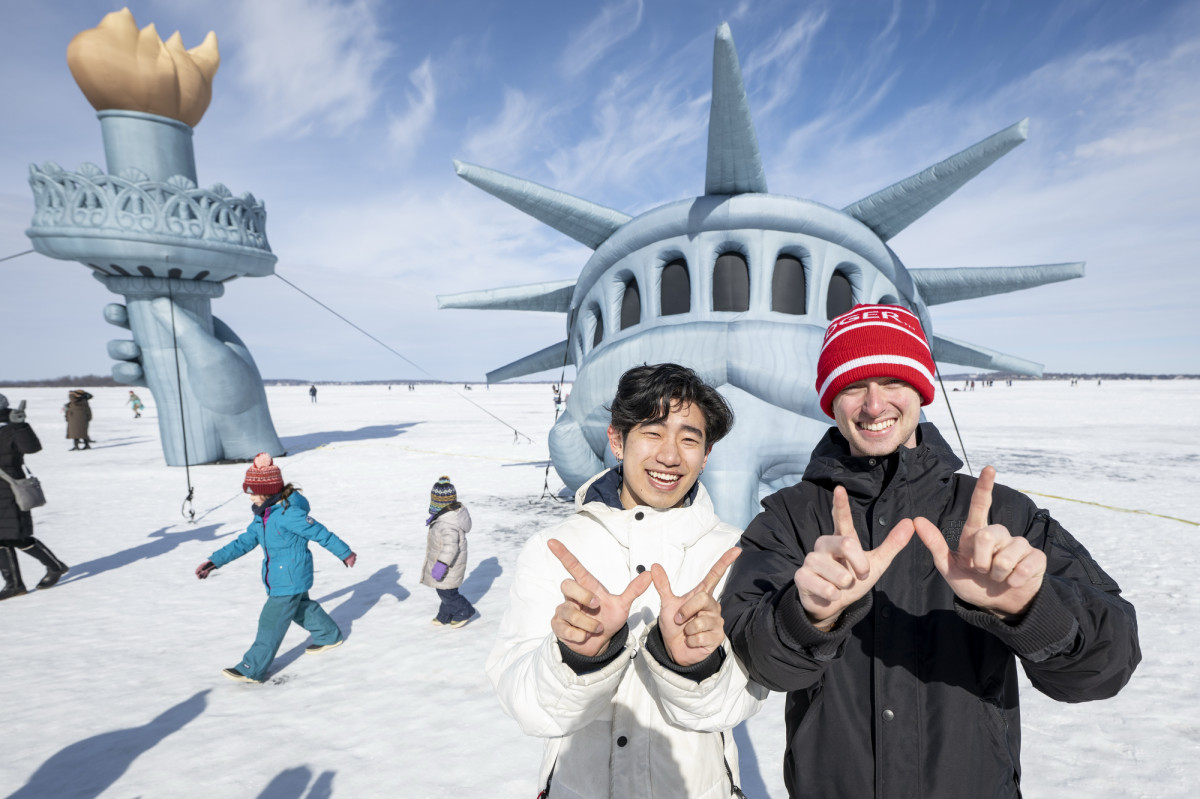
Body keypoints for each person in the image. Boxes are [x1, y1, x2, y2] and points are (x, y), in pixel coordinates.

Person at [721, 304, 1141, 799]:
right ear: (831, 402)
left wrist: (1033, 611)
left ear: (922, 390)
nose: (874, 406)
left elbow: (1107, 665)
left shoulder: (998, 514)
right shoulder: (791, 517)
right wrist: (807, 618)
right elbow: (754, 660)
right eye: (854, 386)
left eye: (892, 382)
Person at [487, 363, 766, 799]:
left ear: (706, 454)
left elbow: (740, 701)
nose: (670, 456)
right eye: (653, 432)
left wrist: (696, 665)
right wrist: (576, 659)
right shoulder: (555, 547)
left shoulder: (730, 554)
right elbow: (528, 708)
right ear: (617, 440)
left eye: (689, 438)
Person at [195, 453, 356, 683]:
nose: (250, 498)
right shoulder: (264, 516)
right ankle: (329, 635)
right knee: (300, 608)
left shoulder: (289, 514)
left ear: (268, 491)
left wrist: (345, 553)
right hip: (283, 576)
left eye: (253, 493)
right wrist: (214, 561)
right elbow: (244, 542)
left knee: (271, 621)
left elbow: (320, 533)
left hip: (289, 577)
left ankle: (252, 668)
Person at [0, 395, 69, 600]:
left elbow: (32, 448)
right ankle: (14, 584)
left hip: (10, 488)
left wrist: (21, 426)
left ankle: (54, 567)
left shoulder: (12, 427)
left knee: (18, 536)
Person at [421, 476, 476, 627]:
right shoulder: (446, 517)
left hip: (449, 566)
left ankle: (464, 610)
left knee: (447, 592)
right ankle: (444, 615)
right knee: (445, 590)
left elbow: (451, 547)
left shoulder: (447, 523)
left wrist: (441, 564)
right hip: (449, 565)